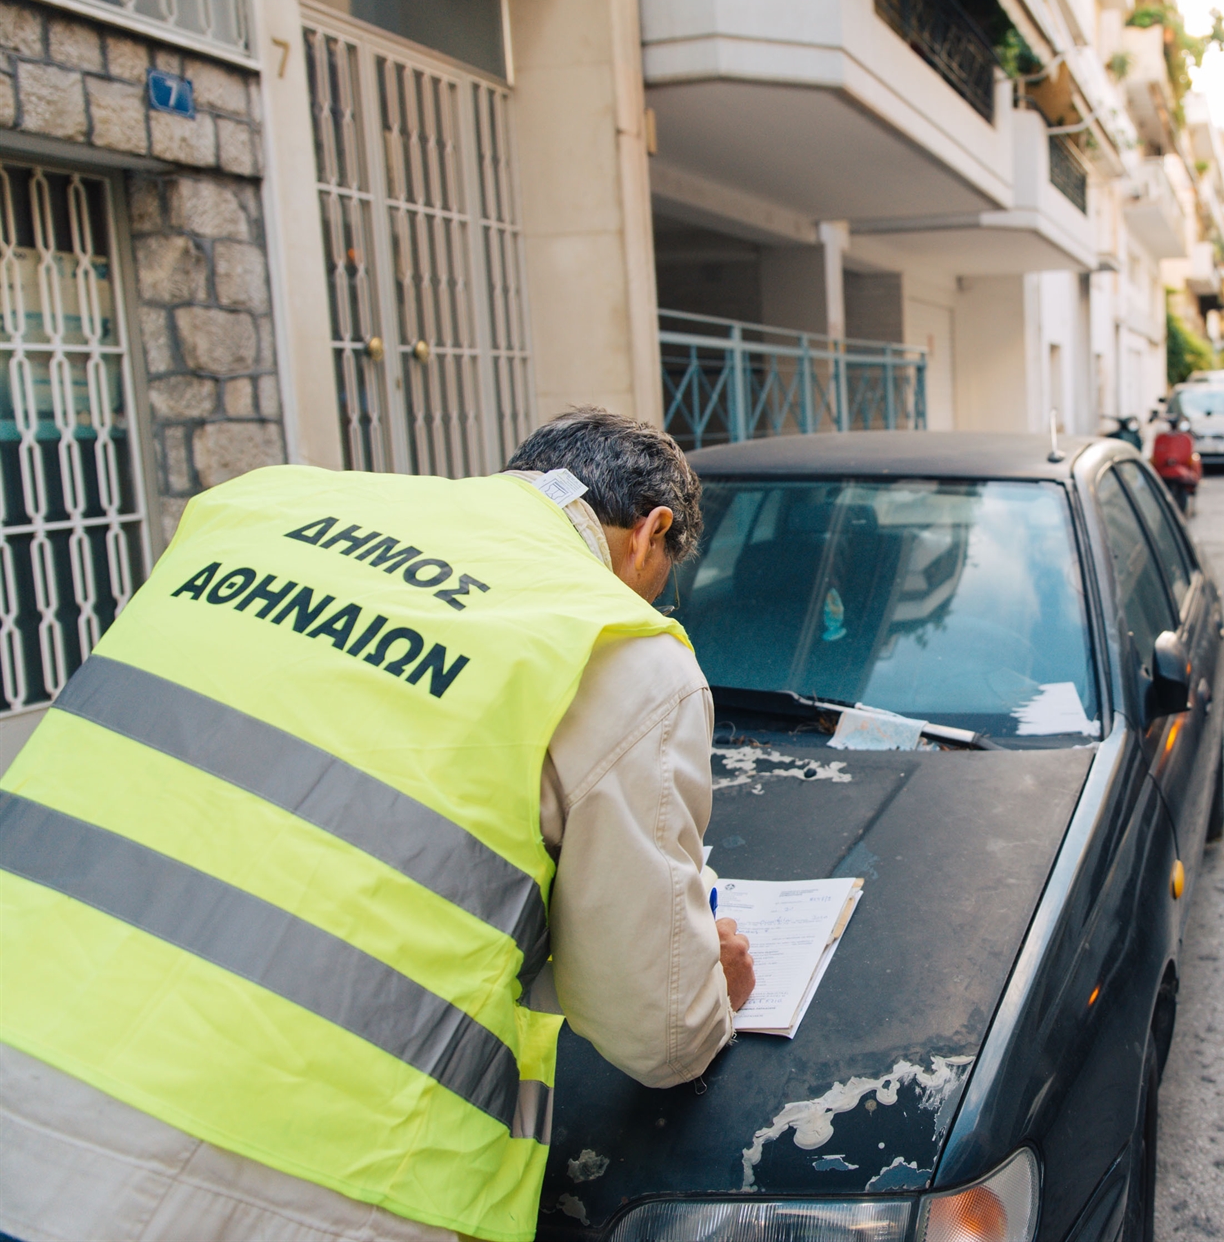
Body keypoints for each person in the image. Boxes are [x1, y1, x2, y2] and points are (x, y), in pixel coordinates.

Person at [0, 409, 754, 1242]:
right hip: (277, 1180)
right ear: (652, 533)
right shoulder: (621, 650)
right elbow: (658, 1035)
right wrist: (710, 985)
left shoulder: (255, 510)